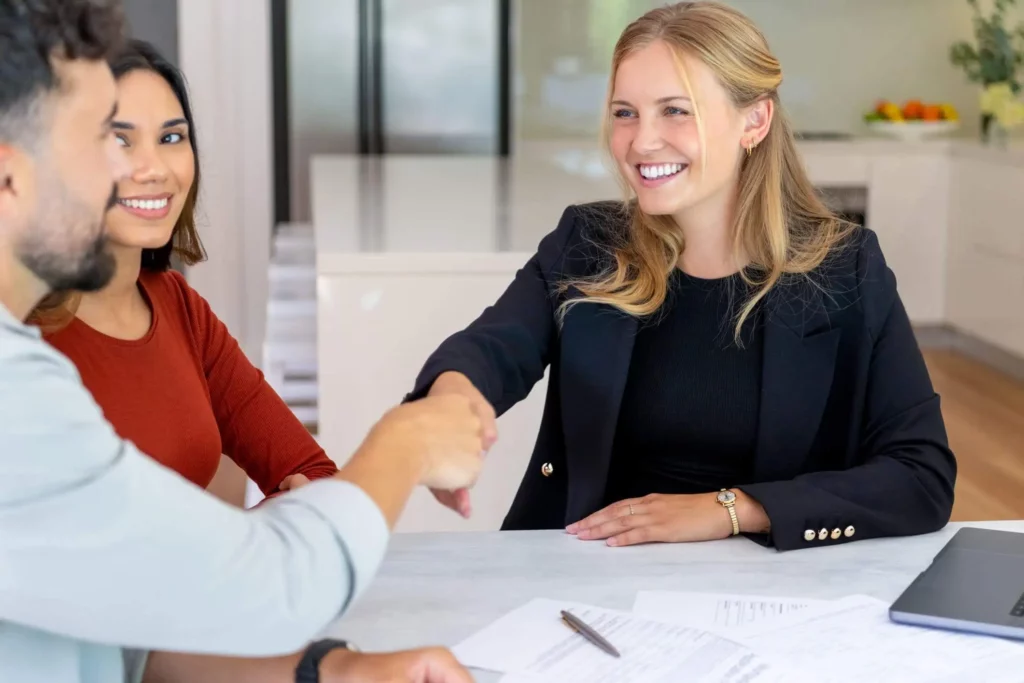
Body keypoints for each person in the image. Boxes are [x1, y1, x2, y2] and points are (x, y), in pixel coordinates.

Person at [0, 2, 477, 682]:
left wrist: (331, 670)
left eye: (168, 138)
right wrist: (408, 441)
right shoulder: (17, 401)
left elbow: (127, 623)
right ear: (11, 177)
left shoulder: (150, 316)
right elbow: (270, 583)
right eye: (98, 141)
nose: (131, 173)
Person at [408, 1, 956, 551]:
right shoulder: (589, 241)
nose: (642, 141)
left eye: (675, 110)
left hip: (771, 596)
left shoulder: (846, 267)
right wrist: (447, 408)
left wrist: (732, 509)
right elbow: (491, 350)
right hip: (589, 577)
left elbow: (922, 474)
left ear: (755, 121)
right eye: (625, 113)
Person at [29, 39, 332, 499]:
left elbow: (313, 473)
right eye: (118, 140)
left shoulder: (178, 306)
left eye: (172, 137)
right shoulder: (21, 332)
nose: (154, 169)